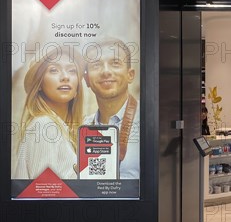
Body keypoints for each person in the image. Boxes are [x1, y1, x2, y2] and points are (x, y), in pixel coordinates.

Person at [14, 46, 84, 180]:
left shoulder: (60, 130)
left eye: (72, 70)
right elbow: (43, 194)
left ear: (77, 89)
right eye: (53, 70)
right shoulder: (44, 125)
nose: (65, 77)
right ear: (39, 84)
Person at [83, 38, 140, 179]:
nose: (106, 71)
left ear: (130, 75)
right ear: (87, 80)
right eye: (96, 65)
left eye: (115, 63)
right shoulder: (83, 126)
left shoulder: (147, 119)